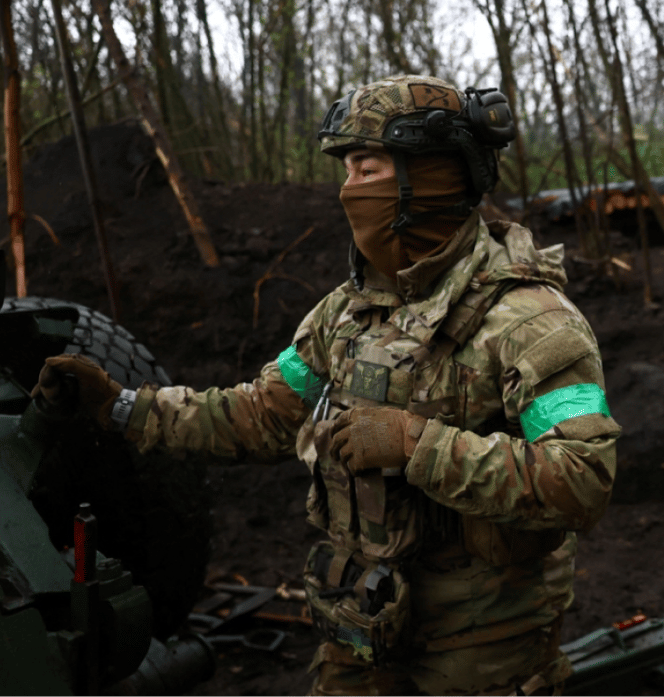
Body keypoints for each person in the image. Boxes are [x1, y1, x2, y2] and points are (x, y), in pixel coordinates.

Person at [33, 75, 621, 696]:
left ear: (429, 176)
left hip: (482, 647)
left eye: (365, 168)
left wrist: (413, 443)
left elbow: (580, 478)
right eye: (345, 171)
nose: (348, 190)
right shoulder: (343, 314)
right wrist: (119, 406)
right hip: (361, 622)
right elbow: (263, 414)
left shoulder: (532, 320)